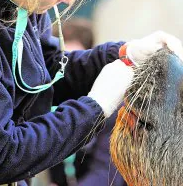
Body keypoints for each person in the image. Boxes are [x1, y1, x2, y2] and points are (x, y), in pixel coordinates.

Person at [0, 0, 183, 185]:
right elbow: (0, 156)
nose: (68, 0)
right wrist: (95, 107)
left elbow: (45, 74)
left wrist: (123, 55)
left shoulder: (24, 2)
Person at [50, 18, 127, 186]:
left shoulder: (112, 105)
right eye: (58, 61)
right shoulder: (39, 98)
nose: (62, 71)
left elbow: (107, 171)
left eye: (72, 60)